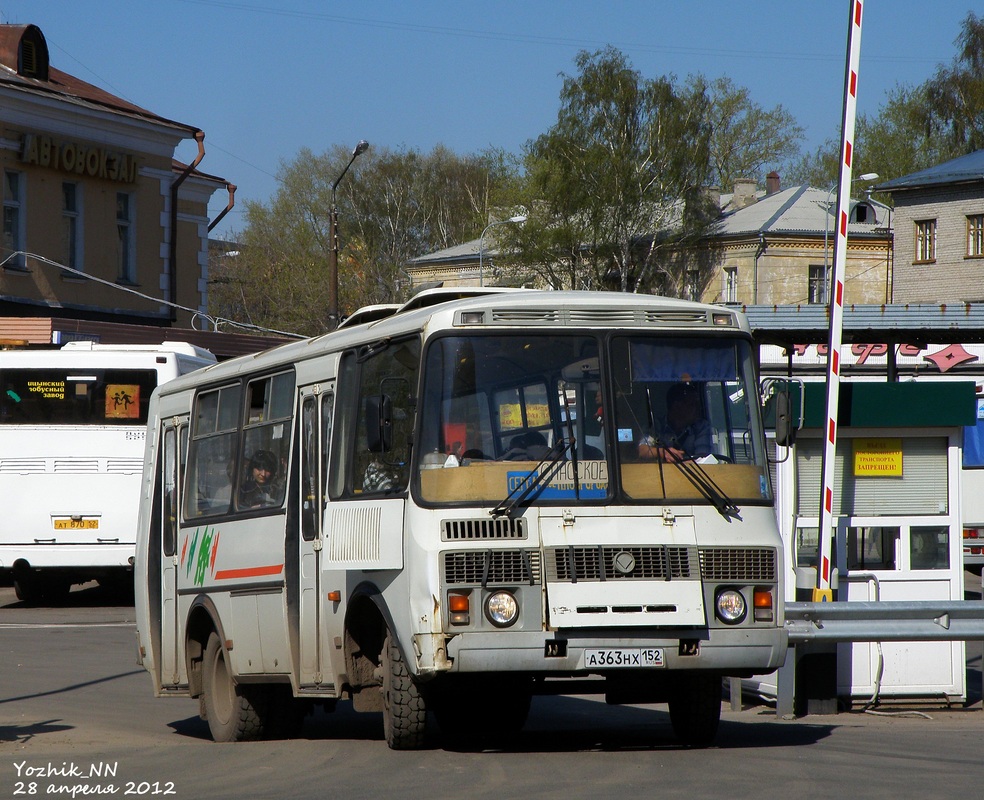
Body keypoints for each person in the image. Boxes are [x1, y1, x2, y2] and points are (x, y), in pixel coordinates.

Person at [638, 383, 714, 462]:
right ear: (677, 406)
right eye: (692, 405)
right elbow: (642, 450)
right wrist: (663, 452)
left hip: (695, 474)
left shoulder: (701, 427)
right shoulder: (656, 425)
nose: (697, 409)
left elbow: (704, 460)